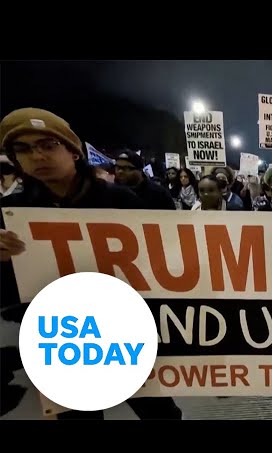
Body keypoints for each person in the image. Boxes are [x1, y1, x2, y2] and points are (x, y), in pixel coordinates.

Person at [0, 108, 182, 420]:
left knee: (160, 413)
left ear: (73, 150)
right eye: (24, 149)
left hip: (125, 331)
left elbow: (168, 261)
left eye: (47, 145)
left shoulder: (122, 202)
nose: (37, 156)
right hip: (62, 338)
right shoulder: (10, 214)